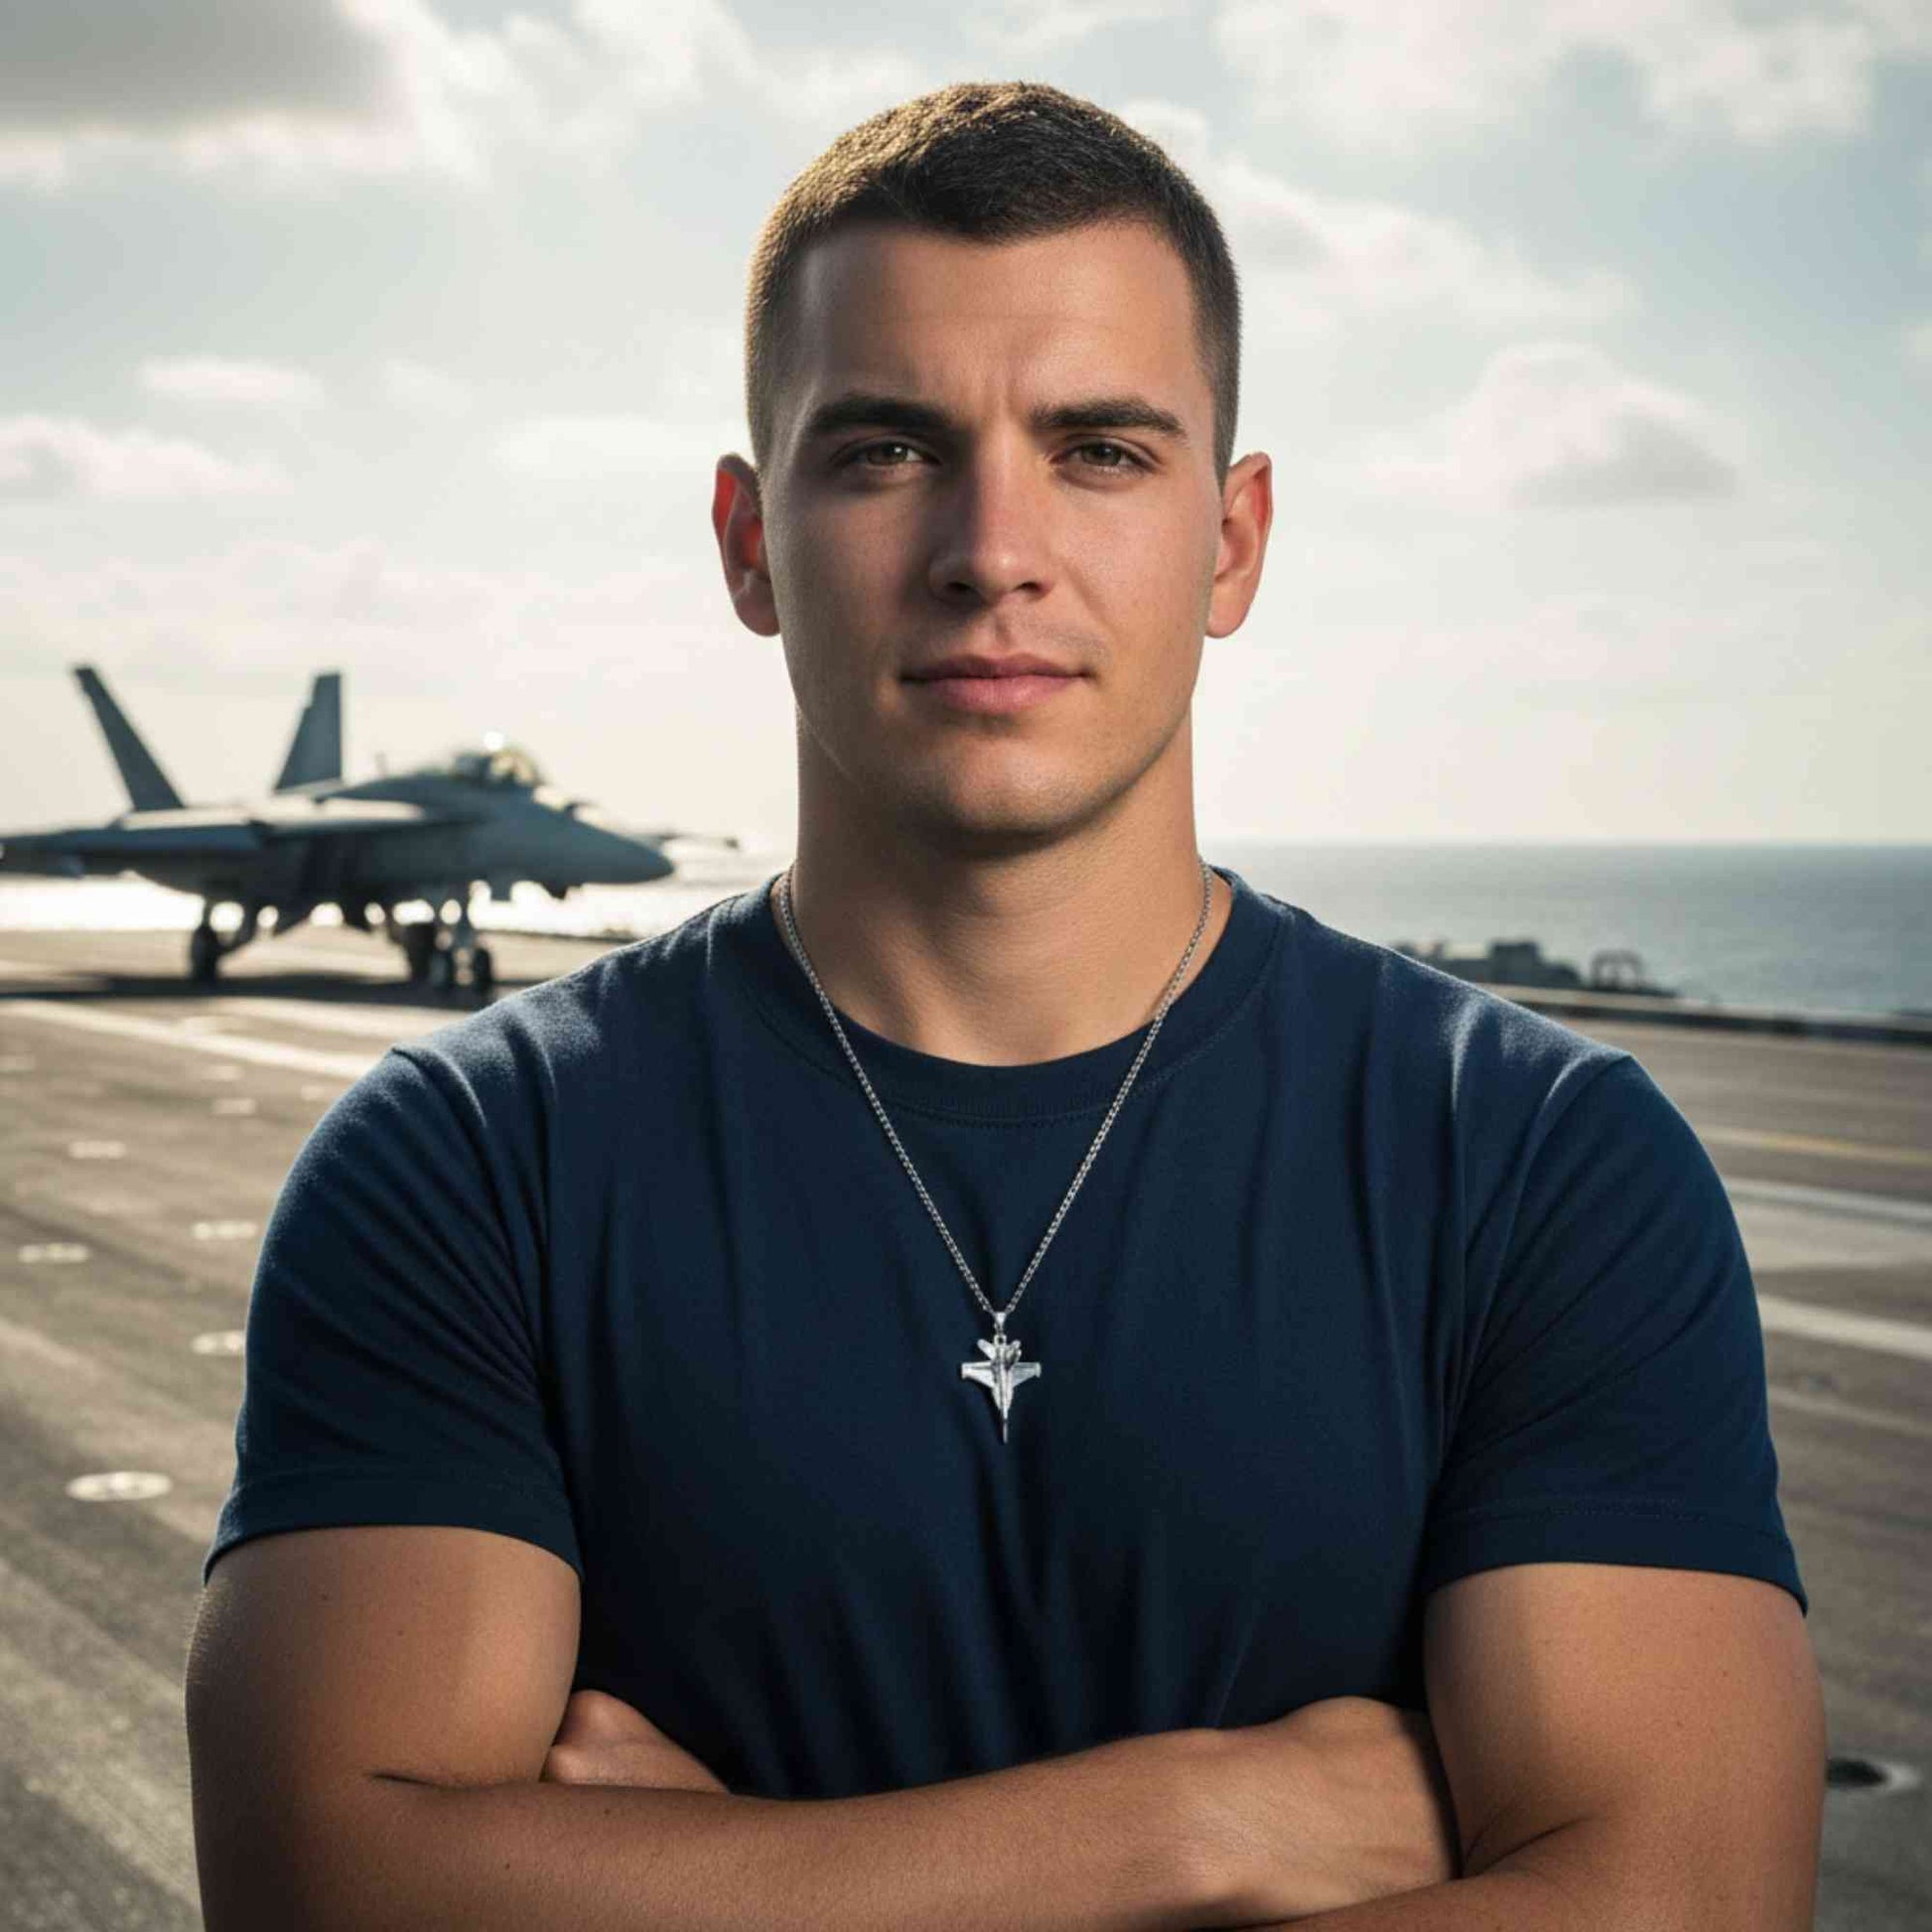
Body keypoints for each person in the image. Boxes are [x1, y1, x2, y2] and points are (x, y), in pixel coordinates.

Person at [185, 80, 1825, 1930]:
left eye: (1101, 450)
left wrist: (727, 1885)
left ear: (1230, 539)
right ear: (745, 539)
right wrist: (1200, 1827)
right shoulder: (469, 1165)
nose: (992, 548)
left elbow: (1680, 1900)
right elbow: (330, 1887)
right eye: (886, 448)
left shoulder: (1538, 1163)